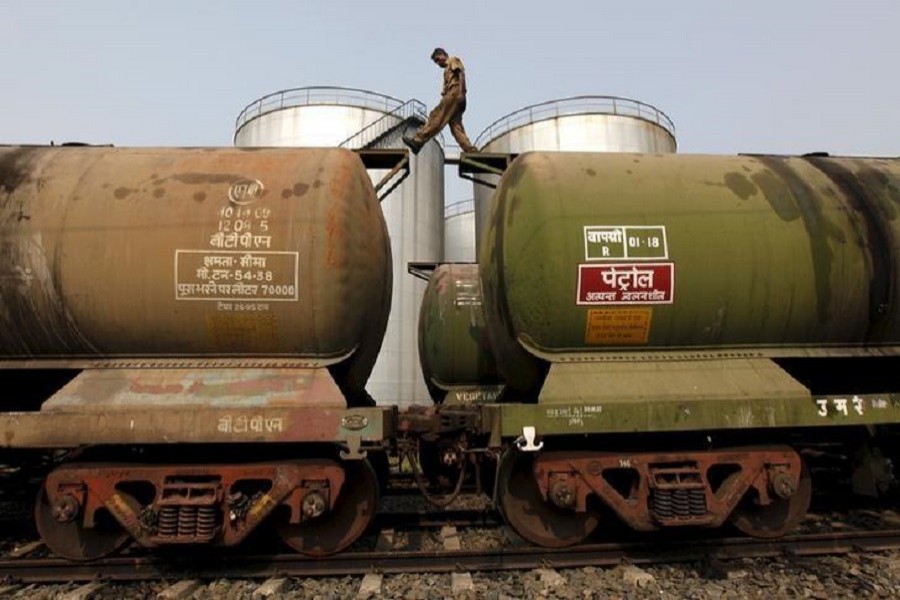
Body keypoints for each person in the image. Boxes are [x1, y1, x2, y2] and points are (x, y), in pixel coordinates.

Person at [403, 47, 478, 155]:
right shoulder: (447, 69)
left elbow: (461, 73)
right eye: (436, 62)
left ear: (443, 54)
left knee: (436, 115)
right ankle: (471, 151)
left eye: (438, 59)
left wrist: (462, 92)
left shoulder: (452, 60)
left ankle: (417, 141)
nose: (438, 63)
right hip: (454, 95)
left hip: (454, 92)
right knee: (455, 126)